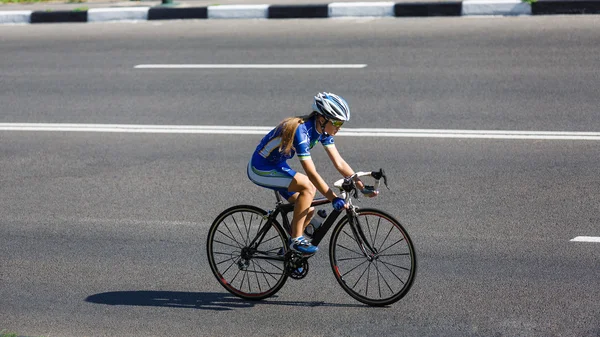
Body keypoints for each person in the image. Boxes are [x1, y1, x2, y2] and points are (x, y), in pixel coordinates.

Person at [247, 92, 378, 255]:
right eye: (336, 122)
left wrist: (361, 185)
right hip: (260, 168)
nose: (339, 128)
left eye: (341, 124)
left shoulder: (323, 131)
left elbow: (339, 162)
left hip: (278, 165)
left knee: (307, 210)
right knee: (308, 187)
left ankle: (289, 253)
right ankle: (296, 241)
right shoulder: (301, 131)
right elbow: (311, 172)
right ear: (322, 118)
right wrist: (333, 198)